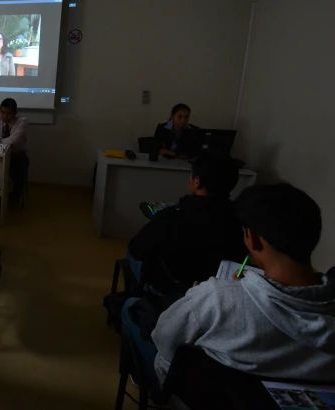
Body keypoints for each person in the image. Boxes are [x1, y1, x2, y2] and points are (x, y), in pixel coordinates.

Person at [124, 184, 335, 394]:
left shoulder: (215, 297)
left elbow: (163, 337)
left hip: (197, 395)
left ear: (250, 237)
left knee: (130, 308)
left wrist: (197, 297)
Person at [127, 153, 245, 296]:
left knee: (134, 253)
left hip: (175, 292)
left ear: (197, 181)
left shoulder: (173, 216)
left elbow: (136, 250)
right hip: (219, 292)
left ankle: (137, 295)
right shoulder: (242, 219)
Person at [0, 98, 29, 200]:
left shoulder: (22, 122)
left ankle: (13, 197)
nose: (5, 116)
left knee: (18, 169)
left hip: (16, 155)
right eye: (2, 112)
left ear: (15, 113)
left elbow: (13, 140)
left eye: (9, 113)